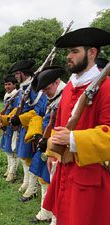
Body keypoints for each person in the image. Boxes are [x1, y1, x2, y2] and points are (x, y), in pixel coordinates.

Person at [43, 27, 110, 225]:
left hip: (89, 180)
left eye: (74, 51)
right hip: (64, 172)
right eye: (68, 52)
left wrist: (73, 140)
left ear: (92, 53)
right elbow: (59, 124)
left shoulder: (106, 88)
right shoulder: (70, 87)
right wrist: (53, 154)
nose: (68, 57)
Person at [0, 60, 47, 201]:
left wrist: (20, 119)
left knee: (31, 159)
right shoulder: (24, 88)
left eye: (17, 74)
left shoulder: (35, 89)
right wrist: (7, 118)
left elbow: (38, 111)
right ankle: (27, 184)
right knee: (24, 158)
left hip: (31, 127)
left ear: (23, 73)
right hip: (23, 127)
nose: (16, 77)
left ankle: (32, 189)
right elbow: (20, 109)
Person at [26, 66, 67, 224]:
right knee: (44, 179)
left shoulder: (65, 96)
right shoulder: (52, 96)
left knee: (57, 185)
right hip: (45, 143)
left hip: (58, 148)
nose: (44, 93)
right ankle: (45, 211)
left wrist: (48, 142)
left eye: (46, 89)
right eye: (41, 90)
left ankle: (55, 219)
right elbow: (39, 114)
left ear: (56, 82)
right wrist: (37, 135)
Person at [0, 75, 20, 182]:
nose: (7, 86)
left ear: (15, 85)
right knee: (8, 150)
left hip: (13, 125)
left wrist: (4, 119)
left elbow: (15, 112)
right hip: (6, 126)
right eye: (5, 84)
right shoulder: (7, 96)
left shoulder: (17, 97)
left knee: (13, 150)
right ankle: (9, 170)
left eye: (9, 84)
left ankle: (12, 173)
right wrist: (1, 122)